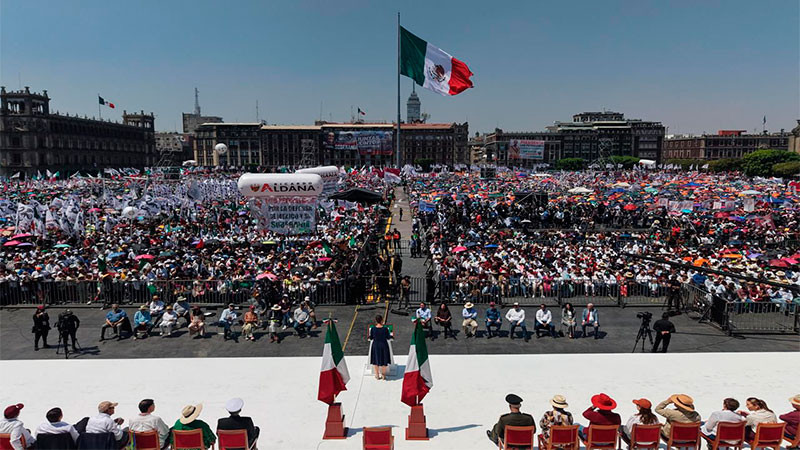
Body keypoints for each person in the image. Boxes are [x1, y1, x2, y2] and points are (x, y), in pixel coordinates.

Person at [369, 315, 392, 380]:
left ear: (376, 320)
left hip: (376, 345)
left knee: (375, 360)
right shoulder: (385, 329)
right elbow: (388, 337)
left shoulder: (373, 329)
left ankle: (377, 375)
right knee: (384, 360)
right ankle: (383, 375)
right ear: (382, 320)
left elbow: (371, 337)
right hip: (383, 345)